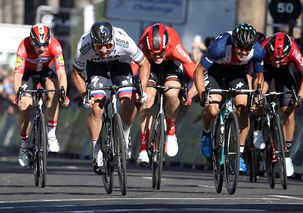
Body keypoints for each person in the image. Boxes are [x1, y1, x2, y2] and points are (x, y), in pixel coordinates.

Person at [71, 21, 150, 174]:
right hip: (96, 67)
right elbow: (75, 72)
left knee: (129, 101)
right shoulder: (84, 45)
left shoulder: (123, 41)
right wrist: (84, 95)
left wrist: (143, 89)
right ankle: (96, 152)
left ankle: (125, 133)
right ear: (93, 43)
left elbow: (145, 64)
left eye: (107, 45)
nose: (104, 50)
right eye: (99, 46)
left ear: (113, 39)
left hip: (120, 64)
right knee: (96, 108)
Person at [193, 23, 265, 173]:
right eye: (240, 48)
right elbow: (199, 71)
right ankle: (206, 133)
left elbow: (259, 76)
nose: (244, 53)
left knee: (243, 107)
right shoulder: (219, 47)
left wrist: (258, 93)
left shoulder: (258, 51)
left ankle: (239, 154)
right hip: (215, 71)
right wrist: (201, 94)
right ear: (233, 42)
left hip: (236, 73)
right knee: (212, 110)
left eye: (247, 49)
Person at [135, 23, 198, 165]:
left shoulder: (174, 46)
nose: (157, 57)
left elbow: (195, 73)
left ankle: (171, 130)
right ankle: (143, 148)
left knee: (172, 93)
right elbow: (133, 66)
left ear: (166, 46)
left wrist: (191, 94)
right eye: (153, 54)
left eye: (160, 53)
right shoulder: (143, 45)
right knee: (148, 99)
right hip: (149, 67)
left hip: (171, 66)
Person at [254, 32, 303, 176]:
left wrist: (299, 97)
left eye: (281, 59)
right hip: (265, 71)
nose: (277, 62)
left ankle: (286, 156)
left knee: (289, 113)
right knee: (260, 93)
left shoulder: (294, 50)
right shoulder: (262, 48)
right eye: (274, 58)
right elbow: (257, 76)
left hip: (284, 74)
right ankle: (259, 126)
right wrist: (258, 94)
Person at [14, 23, 69, 167]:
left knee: (54, 91)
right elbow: (18, 74)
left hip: (45, 71)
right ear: (32, 41)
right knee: (26, 104)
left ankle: (51, 133)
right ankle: (24, 145)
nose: (42, 48)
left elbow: (61, 72)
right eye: (38, 45)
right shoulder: (23, 46)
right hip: (28, 73)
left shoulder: (55, 45)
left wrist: (63, 93)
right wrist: (17, 93)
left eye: (45, 45)